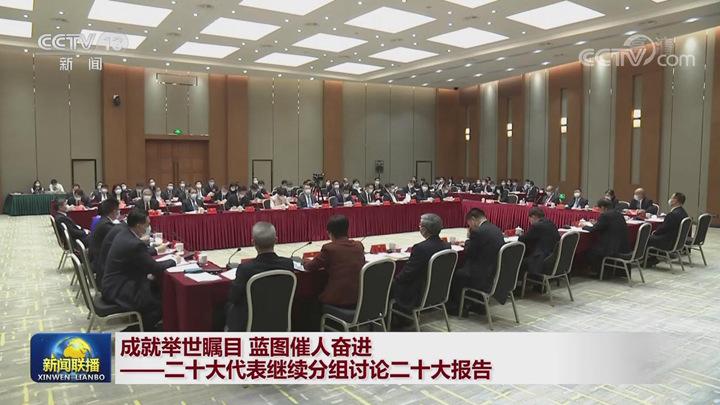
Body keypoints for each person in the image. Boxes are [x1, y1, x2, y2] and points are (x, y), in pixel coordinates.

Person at [102, 209, 179, 331]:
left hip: (114, 283)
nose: (149, 228)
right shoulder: (134, 243)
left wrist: (156, 252)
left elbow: (140, 256)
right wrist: (174, 260)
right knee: (161, 303)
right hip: (119, 288)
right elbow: (154, 268)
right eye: (147, 225)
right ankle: (134, 332)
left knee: (156, 287)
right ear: (138, 225)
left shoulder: (124, 233)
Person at [225, 222, 296, 331]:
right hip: (279, 322)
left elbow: (233, 297)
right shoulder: (288, 264)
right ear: (276, 240)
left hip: (248, 325)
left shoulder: (245, 269)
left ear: (253, 242)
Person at [448, 209, 505, 315]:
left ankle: (459, 308)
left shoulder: (478, 232)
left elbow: (469, 252)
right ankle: (477, 305)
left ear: (473, 220)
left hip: (482, 275)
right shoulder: (495, 228)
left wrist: (468, 240)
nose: (469, 226)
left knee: (456, 274)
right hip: (494, 271)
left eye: (469, 224)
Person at [392, 214, 450, 311]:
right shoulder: (447, 246)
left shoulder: (420, 248)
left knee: (390, 284)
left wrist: (395, 280)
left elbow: (408, 273)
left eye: (420, 225)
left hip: (419, 291)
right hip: (439, 289)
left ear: (424, 229)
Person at [304, 215, 365, 308]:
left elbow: (310, 267)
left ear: (329, 233)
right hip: (359, 298)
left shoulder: (329, 248)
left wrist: (304, 261)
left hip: (339, 299)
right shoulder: (359, 245)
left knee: (309, 301)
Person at [582, 199, 630, 274]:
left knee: (589, 251)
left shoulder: (605, 215)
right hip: (622, 246)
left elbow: (594, 229)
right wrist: (597, 223)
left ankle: (597, 272)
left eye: (599, 208)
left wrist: (583, 226)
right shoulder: (618, 214)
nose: (598, 211)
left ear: (603, 207)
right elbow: (605, 225)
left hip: (612, 248)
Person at [645, 192, 689, 266]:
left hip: (669, 242)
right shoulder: (683, 212)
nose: (670, 199)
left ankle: (649, 259)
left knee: (646, 238)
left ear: (675, 200)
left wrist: (654, 232)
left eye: (671, 198)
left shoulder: (672, 214)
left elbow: (663, 229)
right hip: (677, 241)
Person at [518, 207, 560, 277]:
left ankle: (518, 281)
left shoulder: (537, 226)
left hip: (540, 259)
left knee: (517, 260)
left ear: (533, 217)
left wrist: (519, 234)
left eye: (529, 219)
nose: (530, 221)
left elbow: (522, 239)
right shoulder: (550, 223)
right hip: (552, 257)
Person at [88, 198, 120, 277]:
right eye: (118, 209)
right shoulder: (105, 225)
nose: (119, 212)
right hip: (101, 265)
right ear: (114, 211)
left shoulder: (102, 221)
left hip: (99, 259)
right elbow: (120, 238)